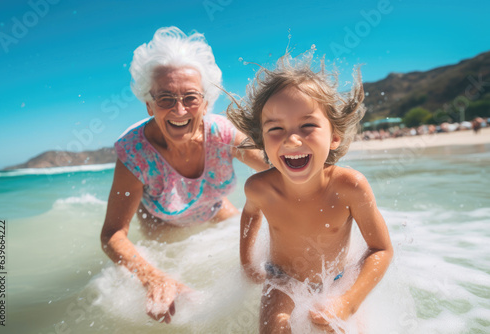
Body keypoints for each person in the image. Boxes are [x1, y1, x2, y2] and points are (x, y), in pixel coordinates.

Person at [100, 27, 267, 324]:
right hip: (167, 235)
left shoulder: (224, 134)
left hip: (219, 218)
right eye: (165, 98)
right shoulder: (133, 153)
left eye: (190, 97)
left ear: (206, 102)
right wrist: (153, 277)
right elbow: (112, 234)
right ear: (148, 103)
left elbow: (280, 168)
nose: (179, 110)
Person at [227, 56, 394, 333]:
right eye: (276, 129)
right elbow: (250, 214)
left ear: (334, 136)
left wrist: (348, 302)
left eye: (308, 126)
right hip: (281, 279)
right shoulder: (259, 187)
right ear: (262, 141)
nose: (292, 140)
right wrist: (247, 264)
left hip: (338, 280)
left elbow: (381, 249)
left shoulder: (350, 187)